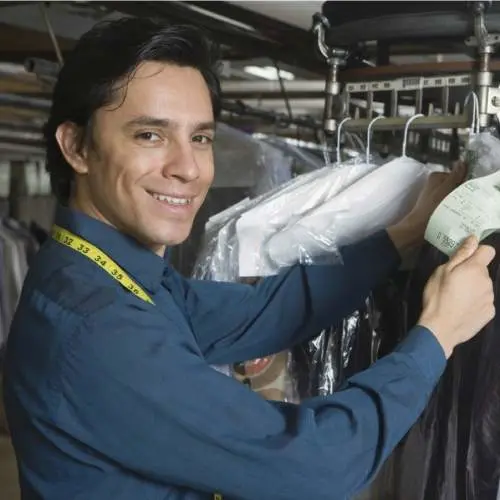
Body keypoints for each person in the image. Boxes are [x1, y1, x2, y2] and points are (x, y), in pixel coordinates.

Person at [2, 17, 495, 500]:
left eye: (200, 137)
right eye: (149, 135)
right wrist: (437, 335)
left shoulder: (107, 273)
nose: (189, 169)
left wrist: (398, 239)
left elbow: (261, 312)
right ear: (76, 147)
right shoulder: (98, 326)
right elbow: (311, 463)